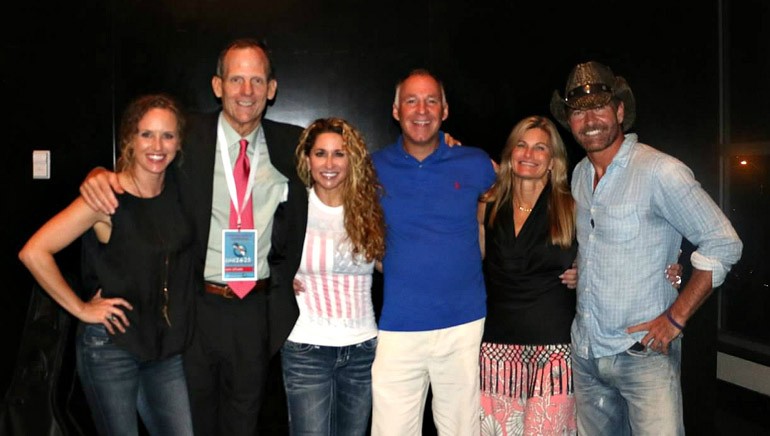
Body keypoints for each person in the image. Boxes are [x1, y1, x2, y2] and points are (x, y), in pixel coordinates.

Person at [79, 38, 308, 436]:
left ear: (272, 89)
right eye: (236, 79)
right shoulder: (185, 136)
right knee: (194, 423)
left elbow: (347, 165)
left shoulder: (294, 144)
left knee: (243, 423)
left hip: (256, 310)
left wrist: (442, 146)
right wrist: (100, 173)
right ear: (217, 85)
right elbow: (141, 164)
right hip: (193, 307)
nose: (247, 91)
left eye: (257, 80)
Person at [549, 60, 742, 435]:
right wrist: (581, 267)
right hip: (587, 351)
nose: (589, 119)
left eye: (599, 107)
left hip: (644, 356)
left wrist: (675, 317)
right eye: (578, 111)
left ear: (620, 111)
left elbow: (723, 242)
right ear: (568, 121)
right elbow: (598, 238)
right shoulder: (579, 175)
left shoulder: (660, 171)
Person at [19, 94, 195, 435]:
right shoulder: (106, 197)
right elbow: (34, 251)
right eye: (146, 134)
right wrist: (81, 309)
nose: (157, 145)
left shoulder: (178, 188)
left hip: (165, 349)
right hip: (111, 347)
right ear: (129, 138)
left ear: (178, 143)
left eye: (167, 135)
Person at [368, 68, 496, 436]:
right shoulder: (373, 168)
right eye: (411, 100)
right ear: (396, 110)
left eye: (430, 101)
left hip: (463, 324)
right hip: (398, 326)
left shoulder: (473, 162)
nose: (421, 110)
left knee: (461, 430)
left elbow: (523, 193)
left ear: (444, 110)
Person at [282, 117, 386, 436]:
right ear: (307, 158)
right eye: (321, 153)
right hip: (305, 348)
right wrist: (278, 279)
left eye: (339, 154)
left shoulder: (369, 209)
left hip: (363, 349)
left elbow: (393, 265)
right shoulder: (291, 206)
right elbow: (257, 253)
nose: (329, 163)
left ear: (351, 160)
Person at [478, 116, 578, 435]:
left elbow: (608, 255)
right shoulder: (489, 203)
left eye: (540, 148)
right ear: (510, 152)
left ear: (553, 160)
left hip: (554, 352)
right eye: (521, 144)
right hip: (497, 350)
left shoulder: (571, 206)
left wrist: (583, 273)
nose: (528, 154)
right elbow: (469, 258)